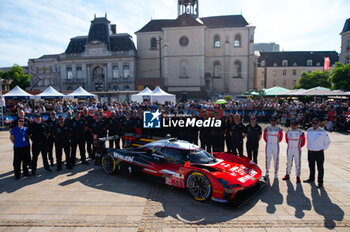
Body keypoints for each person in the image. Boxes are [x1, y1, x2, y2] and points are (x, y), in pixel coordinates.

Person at [304, 118, 331, 188]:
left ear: (319, 123)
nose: (315, 124)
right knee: (311, 166)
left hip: (319, 152)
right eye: (313, 123)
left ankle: (320, 182)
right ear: (311, 123)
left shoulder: (322, 132)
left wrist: (322, 148)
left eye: (316, 123)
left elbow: (328, 142)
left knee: (320, 168)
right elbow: (308, 139)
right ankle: (311, 178)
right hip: (310, 151)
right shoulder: (309, 130)